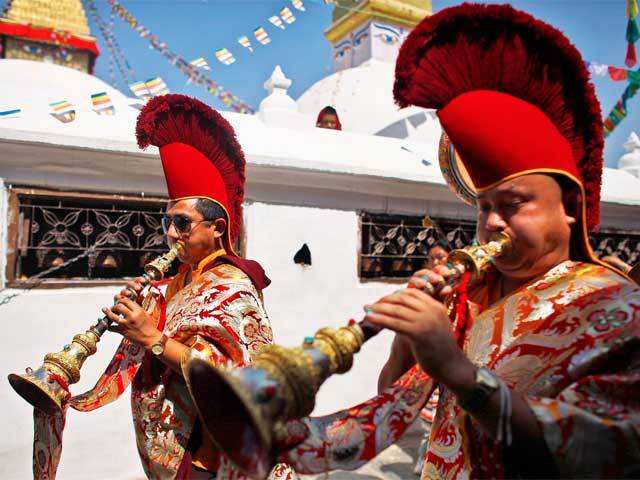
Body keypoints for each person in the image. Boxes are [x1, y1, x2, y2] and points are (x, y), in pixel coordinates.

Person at [277, 4, 640, 478]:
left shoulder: (617, 309)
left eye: (511, 205)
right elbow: (395, 403)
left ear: (569, 206)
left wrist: (457, 370)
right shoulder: (473, 297)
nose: (491, 224)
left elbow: (607, 447)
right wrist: (409, 340)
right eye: (483, 207)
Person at [33, 94, 295, 479]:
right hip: (170, 452)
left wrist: (152, 336)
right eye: (167, 222)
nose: (171, 233)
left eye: (182, 224)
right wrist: (136, 316)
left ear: (216, 228)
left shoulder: (234, 288)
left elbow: (235, 378)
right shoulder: (175, 282)